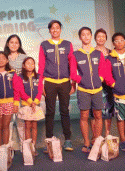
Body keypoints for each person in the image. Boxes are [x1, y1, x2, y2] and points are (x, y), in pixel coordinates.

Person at [38, 20, 75, 151]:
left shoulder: (67, 44)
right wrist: (41, 84)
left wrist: (73, 82)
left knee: (65, 111)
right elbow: (41, 64)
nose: (55, 30)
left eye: (57, 28)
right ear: (49, 30)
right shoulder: (44, 44)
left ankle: (68, 140)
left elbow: (72, 64)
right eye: (52, 28)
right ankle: (49, 140)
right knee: (50, 112)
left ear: (60, 29)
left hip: (65, 82)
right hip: (49, 82)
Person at [70, 27, 105, 153]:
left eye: (88, 34)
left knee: (98, 115)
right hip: (83, 90)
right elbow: (73, 73)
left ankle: (97, 139)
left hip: (97, 89)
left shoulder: (98, 53)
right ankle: (86, 142)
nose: (86, 37)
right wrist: (82, 80)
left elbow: (102, 70)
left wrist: (99, 78)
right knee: (84, 116)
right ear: (80, 37)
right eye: (83, 35)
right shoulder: (76, 54)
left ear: (91, 37)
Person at [15, 57, 45, 155]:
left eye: (32, 63)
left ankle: (33, 146)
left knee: (34, 126)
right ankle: (28, 148)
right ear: (23, 65)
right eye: (28, 63)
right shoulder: (20, 77)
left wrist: (35, 102)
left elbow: (40, 90)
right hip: (26, 104)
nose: (30, 65)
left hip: (35, 105)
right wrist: (29, 101)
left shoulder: (38, 76)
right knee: (27, 126)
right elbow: (21, 91)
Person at [3, 34, 27, 151]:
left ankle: (25, 146)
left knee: (21, 120)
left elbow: (28, 74)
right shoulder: (3, 57)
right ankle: (8, 147)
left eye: (16, 42)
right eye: (11, 42)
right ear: (8, 44)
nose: (14, 44)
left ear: (19, 45)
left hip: (21, 93)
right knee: (8, 121)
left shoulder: (24, 57)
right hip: (7, 93)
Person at [91, 28, 114, 138]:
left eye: (103, 37)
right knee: (95, 111)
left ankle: (107, 135)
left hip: (108, 85)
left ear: (106, 38)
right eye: (98, 36)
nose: (101, 38)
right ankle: (96, 136)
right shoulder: (91, 52)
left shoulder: (111, 52)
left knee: (108, 110)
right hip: (95, 84)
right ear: (95, 38)